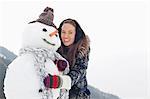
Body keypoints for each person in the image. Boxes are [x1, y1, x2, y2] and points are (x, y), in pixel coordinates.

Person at [43, 18, 91, 99]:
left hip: (77, 95)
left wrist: (61, 82)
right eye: (63, 32)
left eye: (70, 33)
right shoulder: (56, 46)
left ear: (76, 34)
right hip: (58, 94)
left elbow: (79, 71)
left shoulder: (82, 49)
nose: (65, 36)